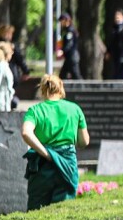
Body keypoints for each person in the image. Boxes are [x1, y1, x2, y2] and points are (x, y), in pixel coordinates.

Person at [20, 74, 89, 209]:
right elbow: (84, 141)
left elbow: (26, 132)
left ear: (42, 90)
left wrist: (46, 153)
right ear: (61, 88)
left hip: (42, 165)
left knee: (36, 213)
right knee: (63, 212)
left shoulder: (35, 110)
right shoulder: (74, 109)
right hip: (66, 163)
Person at [58, 13, 81, 80]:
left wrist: (62, 51)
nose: (61, 23)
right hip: (69, 58)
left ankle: (84, 89)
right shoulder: (67, 31)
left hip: (72, 58)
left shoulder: (70, 31)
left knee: (76, 76)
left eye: (62, 21)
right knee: (62, 76)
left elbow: (69, 44)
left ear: (66, 20)